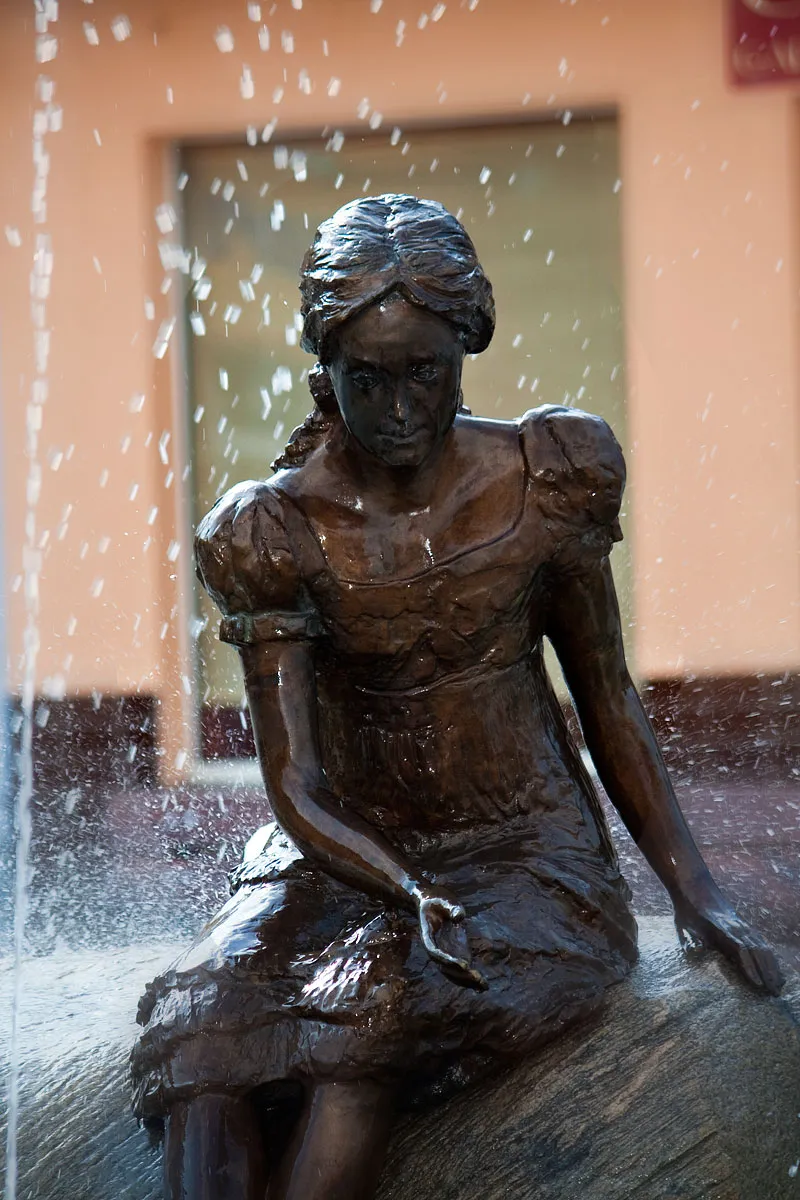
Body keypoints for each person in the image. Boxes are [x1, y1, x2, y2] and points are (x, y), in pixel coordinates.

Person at [131, 194, 783, 1200]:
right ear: (324, 372)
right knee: (208, 1037)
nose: (398, 410)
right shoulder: (270, 531)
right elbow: (295, 787)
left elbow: (605, 699)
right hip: (332, 861)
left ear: (464, 350)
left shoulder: (547, 475)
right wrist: (404, 887)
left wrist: (694, 894)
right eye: (368, 380)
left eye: (423, 374)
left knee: (370, 1016)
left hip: (525, 853)